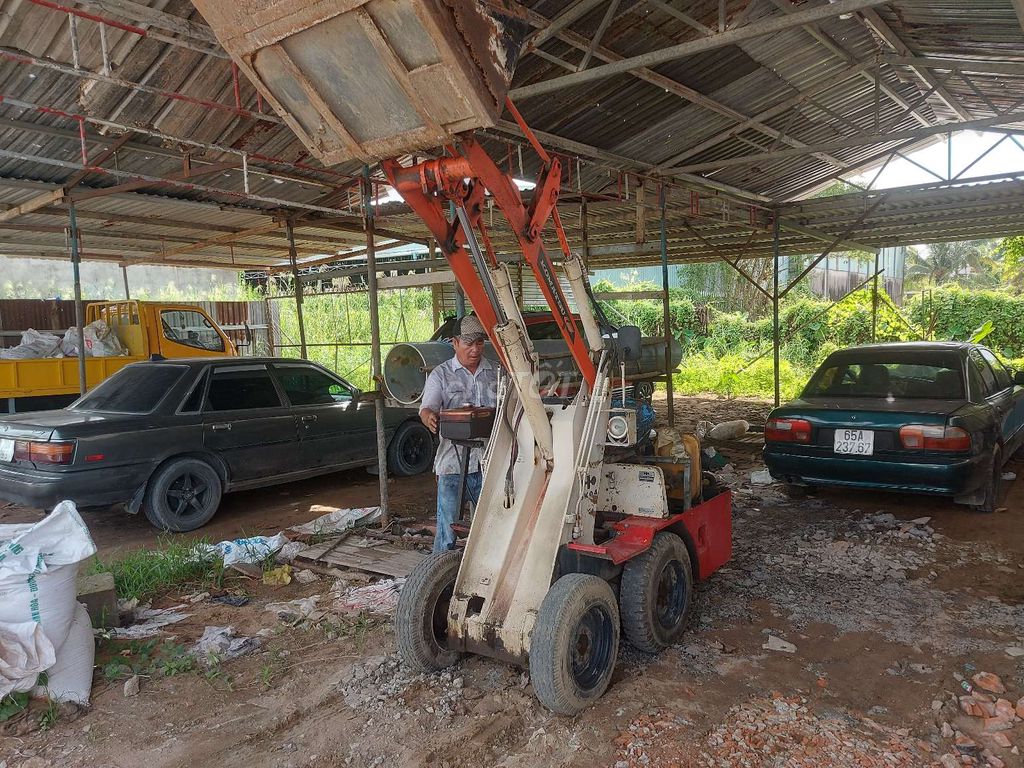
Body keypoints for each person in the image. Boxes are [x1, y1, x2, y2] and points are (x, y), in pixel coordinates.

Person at [419, 315, 498, 553]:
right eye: (468, 344)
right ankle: (440, 575)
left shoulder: (496, 371)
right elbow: (426, 408)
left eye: (479, 343)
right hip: (452, 465)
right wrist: (429, 417)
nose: (475, 350)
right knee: (447, 530)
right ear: (454, 343)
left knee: (493, 525)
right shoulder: (441, 375)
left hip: (490, 463)